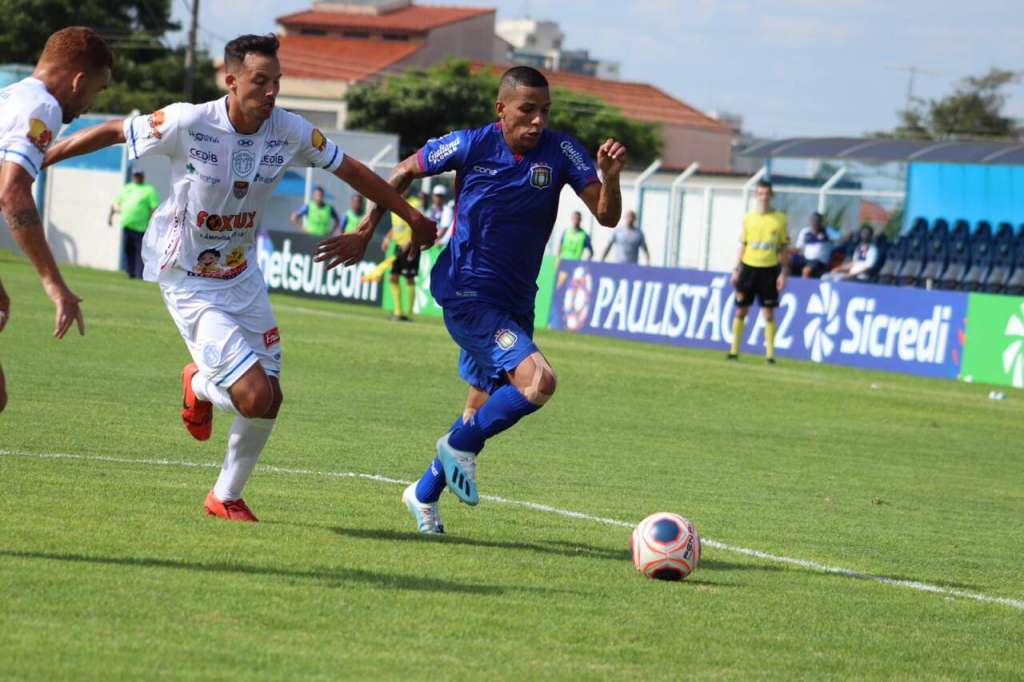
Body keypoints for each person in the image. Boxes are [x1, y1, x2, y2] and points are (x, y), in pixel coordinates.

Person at [44, 33, 436, 521]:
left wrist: (409, 214)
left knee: (270, 398)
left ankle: (225, 496)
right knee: (252, 395)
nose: (271, 92)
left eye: (277, 81)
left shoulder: (289, 130)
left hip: (241, 275)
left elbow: (351, 169)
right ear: (231, 81)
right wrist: (42, 158)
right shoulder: (189, 121)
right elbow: (113, 131)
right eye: (259, 81)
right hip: (188, 277)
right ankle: (199, 385)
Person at [317, 66, 627, 535]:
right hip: (468, 295)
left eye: (545, 111)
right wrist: (367, 228)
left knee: (479, 409)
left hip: (517, 301)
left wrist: (611, 177)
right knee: (539, 381)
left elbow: (606, 216)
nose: (538, 120)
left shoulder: (562, 151)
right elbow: (404, 170)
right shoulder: (470, 144)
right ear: (501, 109)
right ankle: (458, 447)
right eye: (527, 110)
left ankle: (423, 494)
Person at [0, 27, 112, 414]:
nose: (89, 105)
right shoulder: (43, 107)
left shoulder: (10, 97)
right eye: (97, 90)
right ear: (79, 80)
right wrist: (55, 285)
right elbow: (12, 193)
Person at [727, 179, 789, 364]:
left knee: (768, 313)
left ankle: (770, 355)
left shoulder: (780, 219)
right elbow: (743, 245)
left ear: (772, 195)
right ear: (757, 195)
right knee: (741, 310)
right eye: (761, 194)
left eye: (767, 194)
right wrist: (736, 269)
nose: (764, 197)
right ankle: (733, 351)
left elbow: (783, 249)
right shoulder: (749, 218)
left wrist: (783, 273)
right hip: (748, 268)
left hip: (769, 270)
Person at [109, 169, 160, 278]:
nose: (137, 177)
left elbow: (154, 207)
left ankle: (140, 273)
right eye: (135, 176)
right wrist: (111, 216)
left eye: (139, 176)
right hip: (127, 224)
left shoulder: (149, 190)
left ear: (143, 177)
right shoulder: (127, 188)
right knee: (128, 250)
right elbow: (115, 203)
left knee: (140, 251)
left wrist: (152, 223)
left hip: (141, 227)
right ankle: (130, 272)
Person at [381, 189, 422, 321]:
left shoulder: (416, 203)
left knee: (409, 278)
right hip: (398, 247)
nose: (403, 189)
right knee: (393, 277)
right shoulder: (394, 203)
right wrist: (387, 238)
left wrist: (410, 241)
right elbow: (396, 226)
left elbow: (419, 224)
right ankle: (398, 312)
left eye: (406, 187)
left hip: (411, 247)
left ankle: (409, 314)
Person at [791, 212, 831, 278]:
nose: (815, 223)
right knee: (787, 261)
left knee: (806, 270)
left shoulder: (828, 231)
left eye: (817, 221)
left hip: (819, 261)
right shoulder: (805, 232)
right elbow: (798, 248)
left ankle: (803, 284)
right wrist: (785, 251)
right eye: (813, 221)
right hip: (806, 258)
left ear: (821, 222)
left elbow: (840, 237)